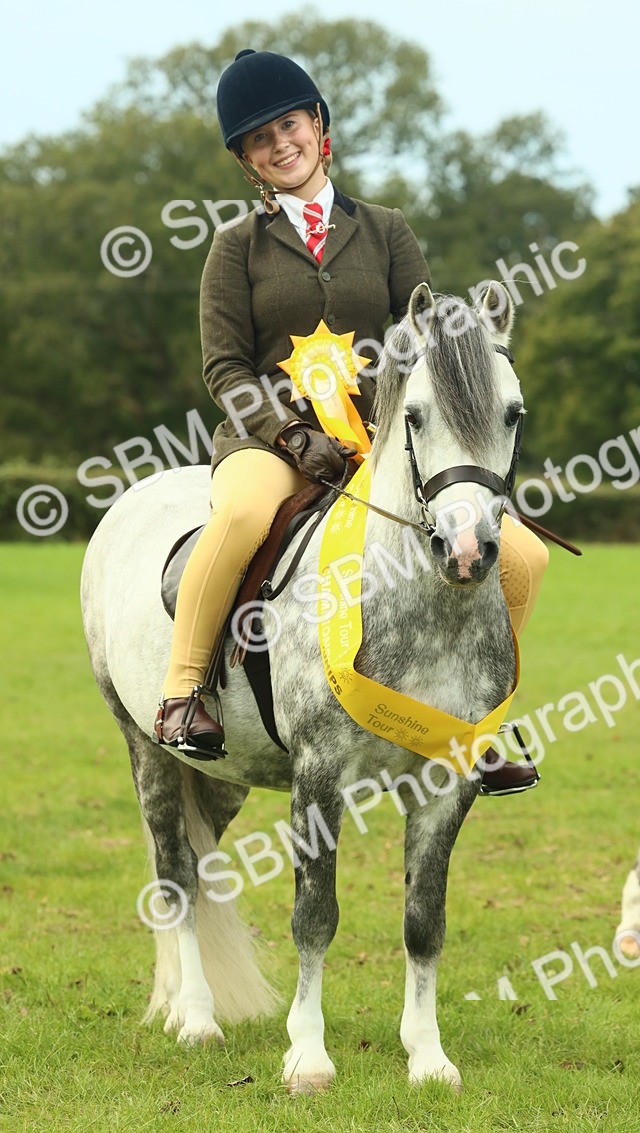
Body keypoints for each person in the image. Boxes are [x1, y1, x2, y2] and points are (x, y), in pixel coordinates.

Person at [154, 48, 549, 792]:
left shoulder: (387, 231)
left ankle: (476, 719)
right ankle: (185, 693)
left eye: (290, 125)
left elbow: (425, 338)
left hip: (378, 441)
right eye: (260, 140)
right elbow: (225, 370)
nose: (281, 144)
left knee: (524, 557)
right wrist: (289, 435)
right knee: (240, 517)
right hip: (272, 441)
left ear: (319, 128)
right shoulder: (233, 248)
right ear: (248, 163)